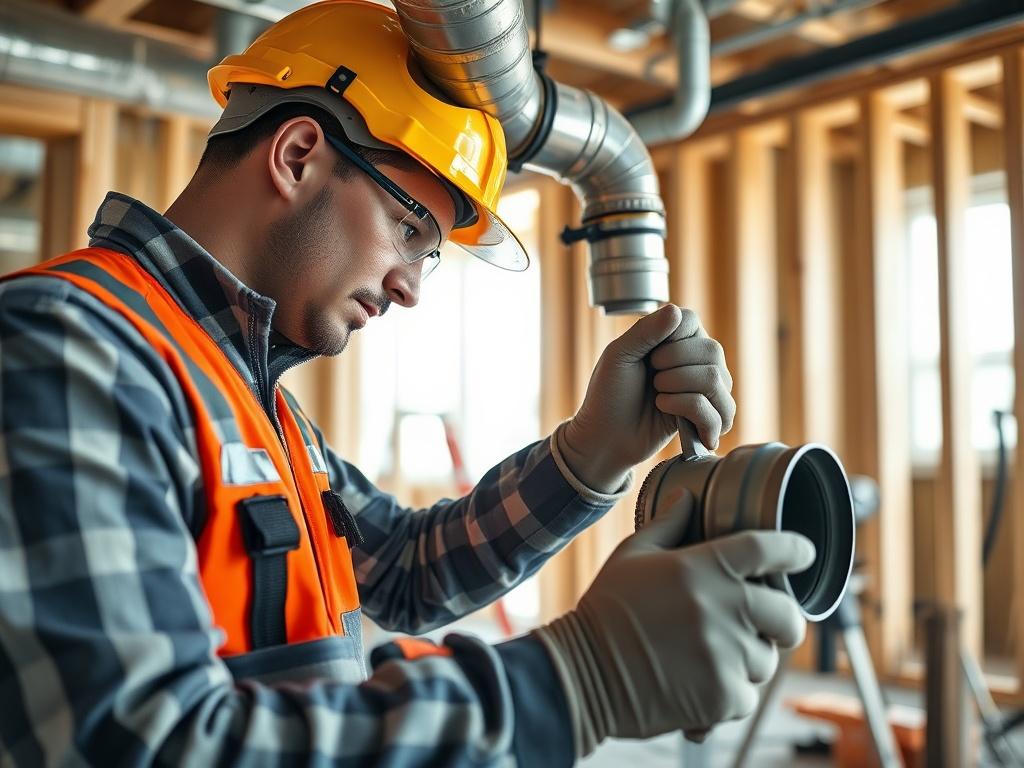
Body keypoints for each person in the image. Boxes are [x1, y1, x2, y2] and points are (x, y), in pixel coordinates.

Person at [0, 1, 814, 765]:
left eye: (428, 254)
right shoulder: (68, 346)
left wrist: (587, 455)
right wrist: (575, 680)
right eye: (410, 228)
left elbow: (405, 569)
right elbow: (146, 740)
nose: (411, 287)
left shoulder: (251, 399)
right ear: (297, 156)